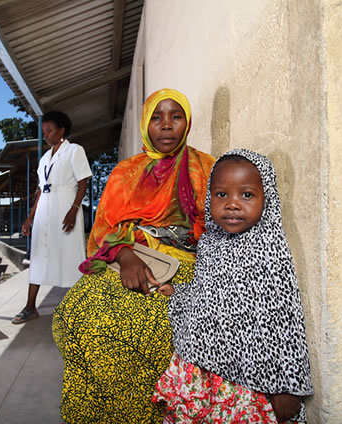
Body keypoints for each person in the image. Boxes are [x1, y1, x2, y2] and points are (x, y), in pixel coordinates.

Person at [52, 89, 215, 423]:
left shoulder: (205, 167)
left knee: (145, 325)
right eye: (156, 117)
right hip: (127, 258)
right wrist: (125, 254)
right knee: (75, 313)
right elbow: (101, 233)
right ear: (144, 124)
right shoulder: (125, 172)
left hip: (184, 266)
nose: (166, 126)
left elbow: (218, 230)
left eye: (176, 116)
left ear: (187, 122)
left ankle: (141, 414)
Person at [152, 149, 314, 423]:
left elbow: (284, 323)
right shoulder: (210, 243)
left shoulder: (268, 251)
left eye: (247, 195)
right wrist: (180, 292)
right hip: (203, 371)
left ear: (268, 198)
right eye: (221, 194)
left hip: (247, 384)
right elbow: (209, 294)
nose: (232, 204)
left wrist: (287, 387)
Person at [13, 110, 92, 324]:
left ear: (61, 130)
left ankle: (81, 308)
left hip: (65, 208)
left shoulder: (74, 150)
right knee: (38, 256)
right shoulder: (45, 158)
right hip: (44, 211)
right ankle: (30, 307)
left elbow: (83, 182)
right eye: (44, 132)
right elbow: (41, 190)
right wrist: (30, 218)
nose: (45, 135)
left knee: (70, 256)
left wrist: (74, 210)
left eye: (49, 131)